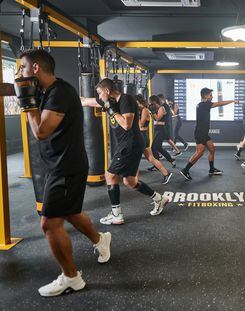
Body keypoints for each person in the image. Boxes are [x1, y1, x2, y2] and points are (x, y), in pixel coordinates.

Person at [15, 49, 111, 296]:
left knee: (49, 223)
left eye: (23, 68)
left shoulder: (58, 93)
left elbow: (41, 131)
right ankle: (101, 240)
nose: (20, 74)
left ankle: (71, 278)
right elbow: (13, 87)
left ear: (35, 68)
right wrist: (16, 89)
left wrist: (27, 102)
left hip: (65, 167)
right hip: (62, 164)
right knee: (71, 213)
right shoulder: (49, 91)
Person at [81, 79, 169, 225]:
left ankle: (116, 214)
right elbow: (85, 101)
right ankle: (159, 199)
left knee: (109, 175)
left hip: (131, 143)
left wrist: (111, 109)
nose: (99, 96)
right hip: (129, 143)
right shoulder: (110, 101)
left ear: (107, 91)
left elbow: (126, 125)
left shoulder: (125, 100)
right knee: (129, 181)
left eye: (100, 93)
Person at [180, 87, 237, 180]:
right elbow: (219, 103)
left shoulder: (202, 104)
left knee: (211, 148)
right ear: (206, 96)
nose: (212, 96)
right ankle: (185, 170)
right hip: (200, 133)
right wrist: (232, 101)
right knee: (199, 153)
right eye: (211, 95)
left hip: (204, 133)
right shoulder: (204, 104)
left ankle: (211, 169)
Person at [135, 94, 172, 185]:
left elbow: (141, 125)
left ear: (138, 102)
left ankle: (135, 180)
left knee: (135, 159)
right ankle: (166, 173)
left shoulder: (144, 110)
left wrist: (134, 115)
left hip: (142, 136)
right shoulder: (143, 110)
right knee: (150, 158)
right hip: (142, 136)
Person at [149, 95, 178, 167]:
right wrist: (152, 112)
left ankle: (157, 165)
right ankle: (171, 160)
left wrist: (152, 112)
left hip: (161, 129)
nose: (150, 104)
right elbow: (155, 119)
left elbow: (158, 118)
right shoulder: (157, 108)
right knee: (159, 148)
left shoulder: (162, 108)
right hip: (157, 128)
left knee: (153, 148)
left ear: (155, 101)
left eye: (151, 102)